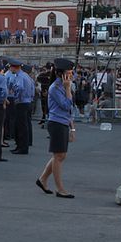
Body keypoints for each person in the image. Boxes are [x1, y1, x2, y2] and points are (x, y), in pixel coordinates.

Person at [37, 58, 76, 199]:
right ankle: (60, 189)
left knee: (59, 156)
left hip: (63, 122)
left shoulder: (65, 86)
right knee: (59, 156)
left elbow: (70, 110)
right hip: (57, 123)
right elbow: (66, 105)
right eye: (69, 72)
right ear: (61, 74)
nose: (71, 75)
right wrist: (67, 89)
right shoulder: (55, 88)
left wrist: (72, 129)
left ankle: (42, 179)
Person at [9, 60, 34, 154]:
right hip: (27, 102)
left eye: (11, 67)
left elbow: (20, 88)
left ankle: (22, 147)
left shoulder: (20, 76)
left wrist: (16, 97)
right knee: (24, 125)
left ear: (14, 67)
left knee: (21, 126)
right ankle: (21, 146)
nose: (10, 69)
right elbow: (31, 88)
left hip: (21, 103)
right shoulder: (25, 75)